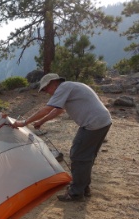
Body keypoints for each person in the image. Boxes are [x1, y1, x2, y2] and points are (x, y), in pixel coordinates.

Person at [11, 73, 112, 202]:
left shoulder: (63, 87)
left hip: (93, 124)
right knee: (87, 156)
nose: (47, 92)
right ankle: (83, 187)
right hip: (103, 121)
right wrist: (41, 122)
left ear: (53, 83)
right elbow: (58, 110)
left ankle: (76, 193)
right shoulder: (71, 87)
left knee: (78, 156)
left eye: (46, 89)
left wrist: (24, 123)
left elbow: (47, 109)